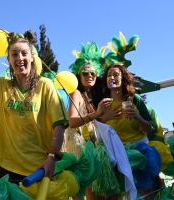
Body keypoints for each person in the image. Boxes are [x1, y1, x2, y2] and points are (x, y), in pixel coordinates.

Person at [0, 17, 69, 183]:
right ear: (8, 59)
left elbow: (59, 124)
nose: (19, 58)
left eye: (24, 53)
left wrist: (52, 157)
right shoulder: (1, 86)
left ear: (32, 58)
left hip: (39, 169)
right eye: (14, 54)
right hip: (8, 170)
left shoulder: (45, 85)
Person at [65, 42, 111, 200]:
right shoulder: (76, 92)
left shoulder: (95, 96)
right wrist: (97, 113)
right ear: (79, 75)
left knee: (98, 191)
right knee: (81, 188)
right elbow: (72, 121)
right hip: (79, 148)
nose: (89, 76)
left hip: (93, 146)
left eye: (93, 73)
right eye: (85, 73)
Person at [101, 64, 154, 199]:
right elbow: (96, 129)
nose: (112, 77)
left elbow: (149, 128)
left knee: (145, 190)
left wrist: (137, 117)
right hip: (116, 154)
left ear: (123, 78)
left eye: (116, 75)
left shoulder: (134, 99)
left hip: (138, 151)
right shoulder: (104, 103)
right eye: (109, 75)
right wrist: (104, 118)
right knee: (115, 193)